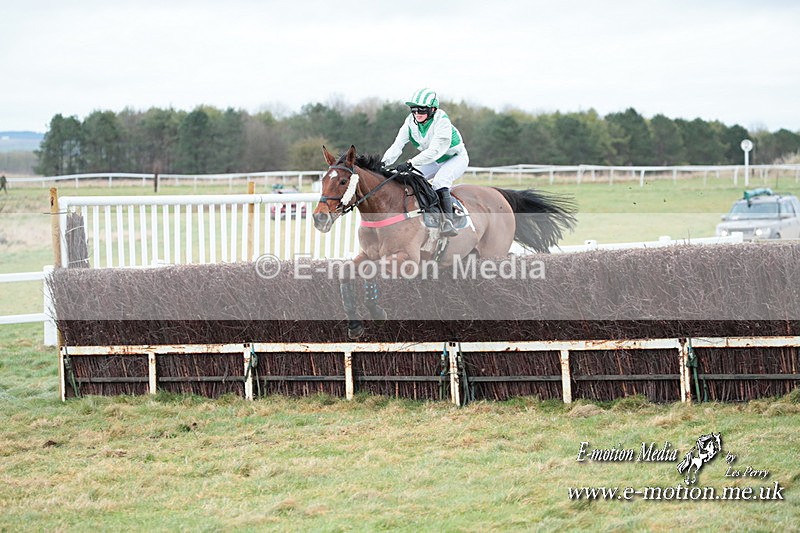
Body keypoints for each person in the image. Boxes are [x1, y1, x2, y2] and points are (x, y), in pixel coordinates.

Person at [382, 88, 469, 237]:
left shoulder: (442, 121)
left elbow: (435, 151)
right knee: (405, 178)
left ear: (433, 109)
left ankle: (448, 222)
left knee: (440, 182)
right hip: (433, 160)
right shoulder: (410, 122)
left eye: (422, 110)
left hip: (454, 158)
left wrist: (411, 162)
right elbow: (397, 146)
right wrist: (382, 163)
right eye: (414, 110)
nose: (417, 113)